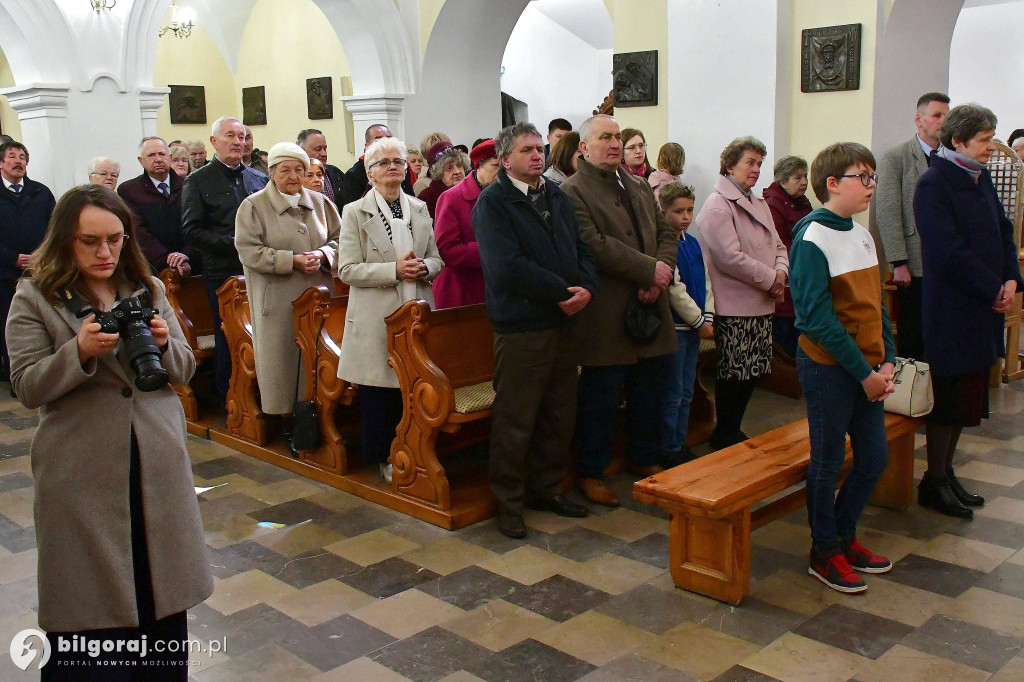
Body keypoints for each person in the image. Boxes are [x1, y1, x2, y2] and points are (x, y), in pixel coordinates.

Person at [6, 184, 213, 675]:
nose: (105, 253)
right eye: (89, 241)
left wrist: (163, 343)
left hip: (155, 461)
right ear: (64, 240)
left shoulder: (148, 286)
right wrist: (77, 352)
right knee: (90, 611)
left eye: (115, 240)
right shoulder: (35, 295)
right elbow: (27, 386)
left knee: (159, 593)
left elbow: (184, 368)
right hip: (82, 469)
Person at [473, 122, 597, 538]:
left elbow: (582, 249)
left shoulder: (556, 195)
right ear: (505, 159)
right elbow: (507, 267)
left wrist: (587, 289)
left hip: (564, 321)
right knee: (517, 417)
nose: (537, 156)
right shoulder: (494, 204)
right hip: (523, 325)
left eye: (539, 149)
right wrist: (562, 291)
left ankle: (546, 487)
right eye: (526, 150)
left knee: (559, 413)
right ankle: (508, 502)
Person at [790, 142, 897, 594]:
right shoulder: (812, 236)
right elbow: (816, 320)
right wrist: (865, 372)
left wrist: (889, 358)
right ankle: (824, 549)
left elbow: (876, 305)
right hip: (829, 368)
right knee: (828, 459)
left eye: (874, 177)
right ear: (832, 184)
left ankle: (845, 536)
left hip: (867, 367)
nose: (872, 185)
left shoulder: (861, 232)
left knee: (874, 457)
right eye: (863, 177)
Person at [560, 114, 678, 507]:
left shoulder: (639, 183)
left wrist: (659, 274)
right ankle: (591, 471)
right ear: (584, 147)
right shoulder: (572, 191)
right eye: (604, 138)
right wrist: (648, 270)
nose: (613, 144)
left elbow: (665, 232)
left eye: (616, 137)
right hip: (607, 311)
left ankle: (643, 456)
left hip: (651, 303)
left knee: (650, 389)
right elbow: (593, 243)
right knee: (602, 397)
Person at [914, 104, 1024, 518]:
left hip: (982, 306)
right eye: (984, 139)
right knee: (949, 398)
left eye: (993, 137)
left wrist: (1011, 278)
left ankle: (945, 473)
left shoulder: (980, 178)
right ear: (958, 141)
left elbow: (1002, 231)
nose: (991, 146)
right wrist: (992, 286)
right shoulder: (934, 183)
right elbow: (946, 251)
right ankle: (933, 480)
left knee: (968, 398)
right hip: (953, 310)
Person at [336, 136, 443, 483]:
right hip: (376, 314)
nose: (393, 167)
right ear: (369, 173)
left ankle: (415, 450)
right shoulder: (354, 211)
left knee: (415, 385)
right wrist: (393, 270)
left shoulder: (419, 208)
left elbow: (438, 258)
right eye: (383, 163)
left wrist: (425, 267)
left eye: (398, 161)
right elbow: (347, 270)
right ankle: (382, 455)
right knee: (380, 389)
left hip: (416, 308)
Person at [236, 143, 340, 455]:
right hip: (278, 298)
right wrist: (290, 260)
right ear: (272, 173)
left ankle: (319, 424)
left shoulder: (321, 203)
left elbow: (340, 240)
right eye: (285, 170)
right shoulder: (253, 206)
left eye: (299, 169)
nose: (293, 176)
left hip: (318, 294)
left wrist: (323, 253)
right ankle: (288, 424)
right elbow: (248, 250)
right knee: (283, 363)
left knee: (318, 361)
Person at [695, 136, 788, 450]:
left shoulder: (758, 201)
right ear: (730, 165)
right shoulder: (717, 205)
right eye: (750, 162)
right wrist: (771, 279)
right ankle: (724, 431)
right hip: (734, 303)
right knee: (736, 373)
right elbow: (729, 258)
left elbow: (778, 245)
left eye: (760, 163)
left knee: (753, 372)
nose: (756, 169)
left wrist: (781, 273)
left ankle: (732, 428)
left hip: (761, 302)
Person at [181, 116, 268, 407]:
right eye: (231, 136)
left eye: (242, 137)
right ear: (214, 142)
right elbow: (192, 229)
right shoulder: (198, 180)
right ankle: (229, 399)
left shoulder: (259, 179)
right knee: (230, 337)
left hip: (261, 271)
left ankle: (261, 395)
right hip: (224, 273)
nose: (238, 142)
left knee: (262, 336)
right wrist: (235, 245)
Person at [875, 92, 950, 361]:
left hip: (947, 261)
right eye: (937, 115)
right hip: (914, 262)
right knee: (914, 332)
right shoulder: (898, 157)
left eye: (947, 116)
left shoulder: (951, 157)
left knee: (944, 332)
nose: (943, 121)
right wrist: (899, 261)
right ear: (919, 120)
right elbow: (888, 211)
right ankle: (914, 394)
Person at [660, 182, 714, 465]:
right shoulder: (665, 244)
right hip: (677, 330)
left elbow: (705, 282)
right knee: (673, 392)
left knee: (686, 390)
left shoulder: (691, 242)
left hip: (695, 328)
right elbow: (673, 289)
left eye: (690, 210)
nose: (685, 217)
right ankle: (669, 447)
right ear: (663, 211)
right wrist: (697, 321)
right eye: (678, 211)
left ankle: (679, 442)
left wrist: (709, 317)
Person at [0, 140, 55, 383]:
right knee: (8, 324)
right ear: (1, 163)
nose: (18, 161)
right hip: (3, 273)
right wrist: (11, 258)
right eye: (12, 156)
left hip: (38, 271)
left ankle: (39, 373)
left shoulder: (40, 192)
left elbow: (55, 228)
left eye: (22, 156)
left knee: (38, 321)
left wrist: (41, 255)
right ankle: (15, 376)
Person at [432, 139, 498, 308]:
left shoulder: (504, 195)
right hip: (462, 291)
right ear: (479, 166)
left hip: (496, 290)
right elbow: (447, 250)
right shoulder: (452, 198)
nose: (502, 173)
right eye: (496, 166)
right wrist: (493, 250)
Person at [763, 155, 812, 359]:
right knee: (784, 337)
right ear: (782, 181)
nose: (804, 182)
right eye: (798, 178)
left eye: (805, 177)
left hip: (804, 274)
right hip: (786, 276)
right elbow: (780, 244)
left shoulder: (802, 202)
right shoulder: (772, 205)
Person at [338, 124, 417, 205]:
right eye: (378, 140)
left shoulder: (401, 167)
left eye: (389, 139)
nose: (385, 143)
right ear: (367, 146)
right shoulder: (354, 174)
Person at [417, 140, 470, 219]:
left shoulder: (470, 192)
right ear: (438, 173)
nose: (457, 171)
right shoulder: (427, 198)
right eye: (449, 168)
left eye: (459, 165)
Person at [297, 128, 346, 205]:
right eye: (317, 149)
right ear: (302, 151)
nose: (324, 154)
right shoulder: (294, 176)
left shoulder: (335, 173)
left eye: (325, 149)